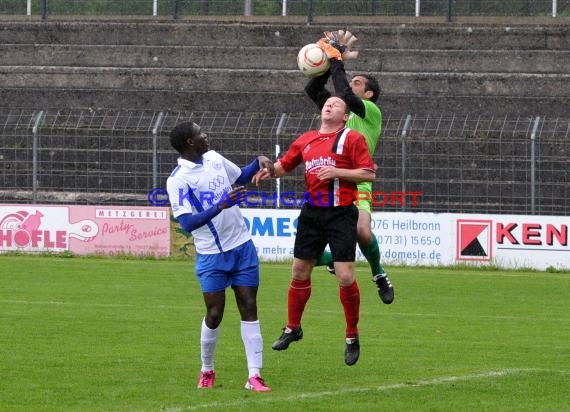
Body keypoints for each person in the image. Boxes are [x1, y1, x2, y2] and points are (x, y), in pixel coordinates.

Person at [253, 96, 376, 366]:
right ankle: (293, 328)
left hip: (341, 213)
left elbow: (368, 174)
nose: (329, 105)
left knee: (345, 277)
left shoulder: (352, 138)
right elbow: (284, 166)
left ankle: (352, 335)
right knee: (298, 271)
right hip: (312, 213)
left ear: (345, 116)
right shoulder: (306, 139)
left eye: (336, 104)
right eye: (327, 103)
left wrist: (338, 172)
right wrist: (268, 170)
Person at [166, 121, 274, 392]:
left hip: (242, 246)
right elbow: (188, 223)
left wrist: (257, 161)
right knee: (215, 313)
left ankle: (254, 375)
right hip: (212, 255)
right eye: (200, 133)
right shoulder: (178, 179)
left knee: (249, 305)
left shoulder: (214, 158)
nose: (206, 135)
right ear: (190, 142)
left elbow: (240, 176)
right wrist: (221, 205)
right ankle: (207, 369)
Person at [304, 30, 395, 305]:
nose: (349, 86)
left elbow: (343, 91)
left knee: (363, 232)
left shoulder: (370, 111)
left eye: (357, 83)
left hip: (358, 179)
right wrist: (324, 65)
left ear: (367, 93)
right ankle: (336, 258)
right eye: (351, 82)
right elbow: (312, 90)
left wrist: (336, 59)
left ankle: (378, 274)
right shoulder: (341, 113)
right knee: (307, 252)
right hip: (327, 183)